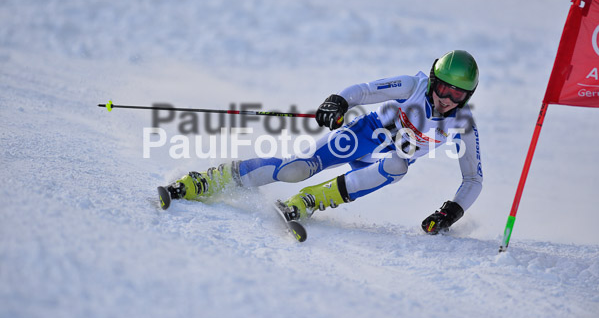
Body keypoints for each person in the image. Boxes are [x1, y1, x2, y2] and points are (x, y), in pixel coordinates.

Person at [160, 50, 483, 235]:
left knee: (398, 166)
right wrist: (338, 102)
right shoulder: (413, 85)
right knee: (296, 168)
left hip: (381, 163)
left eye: (457, 94)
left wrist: (450, 212)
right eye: (443, 88)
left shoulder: (463, 124)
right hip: (362, 136)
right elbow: (366, 91)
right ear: (433, 80)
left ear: (467, 96)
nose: (446, 99)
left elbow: (473, 179)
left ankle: (309, 201)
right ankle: (208, 180)